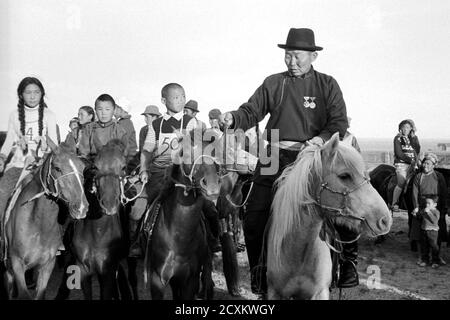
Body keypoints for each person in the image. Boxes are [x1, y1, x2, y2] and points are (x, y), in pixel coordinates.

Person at [219, 28, 355, 294]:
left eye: (297, 56)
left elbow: (338, 121)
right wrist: (234, 118)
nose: (291, 62)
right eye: (288, 56)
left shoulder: (327, 84)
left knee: (342, 207)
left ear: (313, 56)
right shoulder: (273, 82)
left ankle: (347, 265)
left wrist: (320, 139)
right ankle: (260, 271)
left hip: (313, 155)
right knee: (254, 216)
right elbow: (252, 110)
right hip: (272, 153)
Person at [135, 83, 221, 257]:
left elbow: (198, 147)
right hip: (159, 172)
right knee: (141, 206)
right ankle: (138, 241)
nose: (180, 100)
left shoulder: (192, 122)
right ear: (163, 100)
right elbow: (147, 151)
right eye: (175, 97)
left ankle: (213, 239)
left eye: (183, 96)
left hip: (184, 173)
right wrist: (144, 170)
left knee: (209, 206)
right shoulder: (156, 125)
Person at [0, 77, 58, 226]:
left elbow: (55, 146)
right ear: (21, 95)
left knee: (59, 198)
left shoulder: (49, 115)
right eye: (28, 92)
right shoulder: (14, 115)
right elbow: (8, 142)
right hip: (18, 166)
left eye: (36, 92)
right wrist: (2, 158)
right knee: (2, 193)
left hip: (41, 167)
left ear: (42, 94)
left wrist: (46, 145)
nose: (32, 96)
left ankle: (59, 239)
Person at [411, 152, 447, 265]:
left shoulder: (439, 176)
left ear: (433, 165)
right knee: (422, 234)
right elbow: (414, 192)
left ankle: (437, 257)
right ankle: (423, 257)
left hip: (436, 208)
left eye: (428, 164)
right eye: (424, 163)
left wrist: (443, 208)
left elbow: (444, 193)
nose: (425, 166)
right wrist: (416, 207)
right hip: (423, 208)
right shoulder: (418, 177)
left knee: (437, 233)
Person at [391, 119, 421, 212]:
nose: (405, 129)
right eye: (403, 127)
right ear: (400, 129)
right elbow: (399, 153)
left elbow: (417, 150)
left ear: (411, 129)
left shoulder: (413, 138)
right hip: (402, 164)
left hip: (413, 164)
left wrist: (414, 138)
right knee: (402, 182)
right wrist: (410, 160)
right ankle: (394, 203)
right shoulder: (398, 138)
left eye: (407, 127)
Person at [413, 195, 442, 268]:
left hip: (432, 232)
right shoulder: (424, 210)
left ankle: (435, 261)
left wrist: (428, 212)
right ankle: (425, 260)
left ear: (435, 204)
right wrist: (415, 214)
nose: (427, 205)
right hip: (424, 231)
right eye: (426, 203)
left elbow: (435, 221)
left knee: (434, 246)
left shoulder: (436, 212)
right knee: (424, 246)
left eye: (429, 203)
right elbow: (420, 218)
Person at [114, 104, 138, 173]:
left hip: (128, 160)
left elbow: (122, 144)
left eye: (115, 108)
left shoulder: (125, 123)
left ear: (121, 109)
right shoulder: (122, 122)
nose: (113, 111)